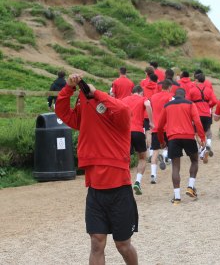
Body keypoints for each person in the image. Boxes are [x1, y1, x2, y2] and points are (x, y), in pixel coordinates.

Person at [55, 74, 138, 264]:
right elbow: (63, 113)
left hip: (119, 189)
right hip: (95, 190)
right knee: (96, 243)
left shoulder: (117, 116)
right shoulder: (84, 114)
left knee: (123, 244)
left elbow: (124, 109)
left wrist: (96, 93)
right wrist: (68, 89)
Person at [157, 88, 205, 205]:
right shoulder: (190, 104)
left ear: (174, 95)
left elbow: (159, 126)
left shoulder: (167, 106)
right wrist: (202, 138)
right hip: (188, 136)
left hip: (173, 138)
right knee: (194, 161)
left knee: (175, 167)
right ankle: (190, 186)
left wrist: (162, 141)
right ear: (185, 95)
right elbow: (197, 121)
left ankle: (177, 198)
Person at [122, 86, 154, 195]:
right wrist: (151, 121)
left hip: (125, 132)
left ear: (132, 92)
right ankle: (137, 181)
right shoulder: (143, 98)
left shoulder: (124, 99)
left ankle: (124, 182)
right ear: (140, 92)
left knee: (125, 158)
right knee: (142, 157)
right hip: (138, 131)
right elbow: (148, 105)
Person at [188, 73, 218, 163]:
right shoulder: (208, 90)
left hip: (196, 114)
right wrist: (209, 105)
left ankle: (203, 150)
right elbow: (215, 101)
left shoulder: (192, 90)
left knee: (197, 133)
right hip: (207, 114)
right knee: (206, 131)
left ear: (196, 80)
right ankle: (205, 148)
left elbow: (188, 101)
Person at [149, 80, 174, 183]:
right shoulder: (170, 97)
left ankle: (153, 175)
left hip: (155, 127)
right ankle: (164, 156)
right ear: (169, 87)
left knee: (154, 151)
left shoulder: (153, 97)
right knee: (169, 148)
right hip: (166, 127)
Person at [142, 73, 159, 160]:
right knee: (155, 131)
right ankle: (160, 151)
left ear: (149, 79)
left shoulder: (144, 88)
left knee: (148, 132)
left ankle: (151, 152)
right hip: (156, 112)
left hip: (146, 113)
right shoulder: (158, 87)